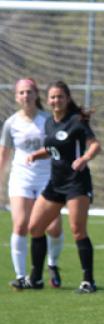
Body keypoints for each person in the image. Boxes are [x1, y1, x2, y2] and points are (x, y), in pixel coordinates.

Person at [26, 80, 101, 292]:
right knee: (35, 228)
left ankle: (88, 281)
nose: (56, 100)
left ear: (67, 99)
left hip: (76, 183)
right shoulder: (49, 122)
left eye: (60, 96)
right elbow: (54, 149)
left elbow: (95, 145)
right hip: (55, 183)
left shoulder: (77, 121)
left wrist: (85, 158)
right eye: (52, 97)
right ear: (47, 100)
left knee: (78, 230)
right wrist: (36, 154)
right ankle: (36, 279)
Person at [0, 78, 64, 290]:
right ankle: (21, 276)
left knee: (53, 228)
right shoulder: (11, 123)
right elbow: (4, 155)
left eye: (29, 92)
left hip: (47, 178)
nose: (25, 96)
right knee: (20, 225)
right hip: (21, 179)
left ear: (37, 95)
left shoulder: (47, 120)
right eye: (21, 93)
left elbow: (59, 147)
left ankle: (52, 264)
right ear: (16, 96)